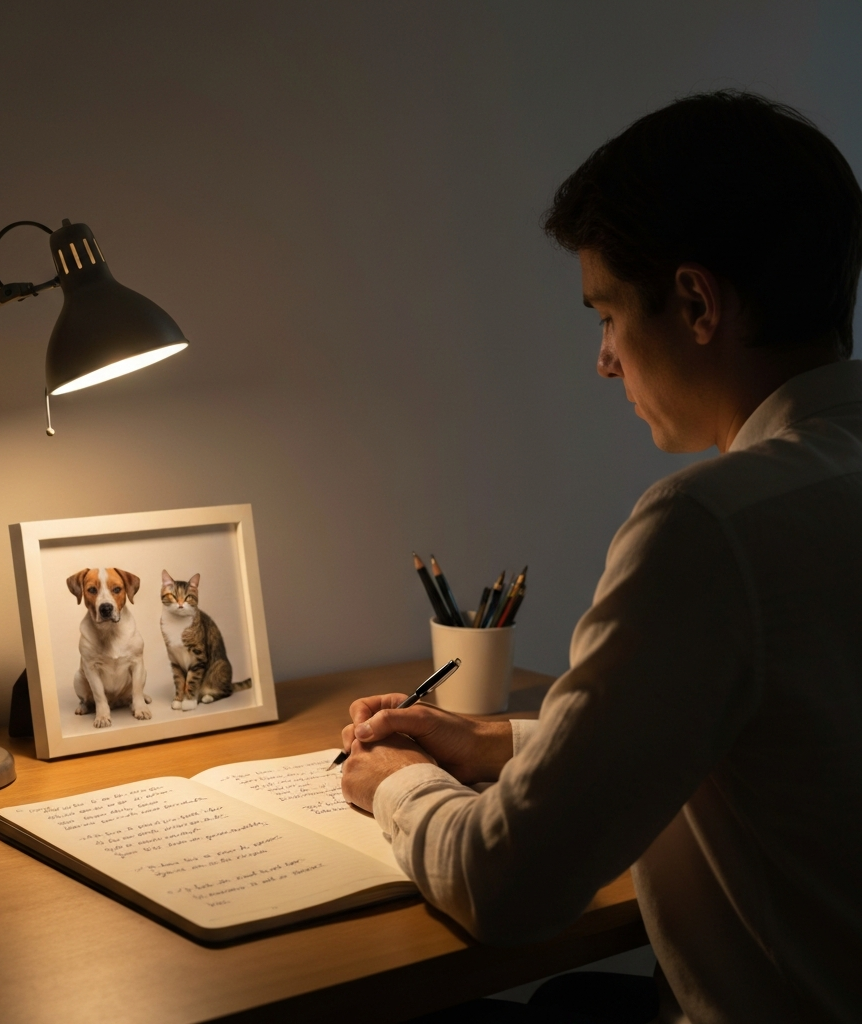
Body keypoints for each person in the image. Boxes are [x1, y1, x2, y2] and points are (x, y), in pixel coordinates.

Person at [338, 91, 862, 1024]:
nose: (605, 360)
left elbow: (510, 889)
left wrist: (399, 785)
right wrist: (495, 744)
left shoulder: (711, 527)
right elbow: (770, 735)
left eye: (607, 315)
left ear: (696, 302)